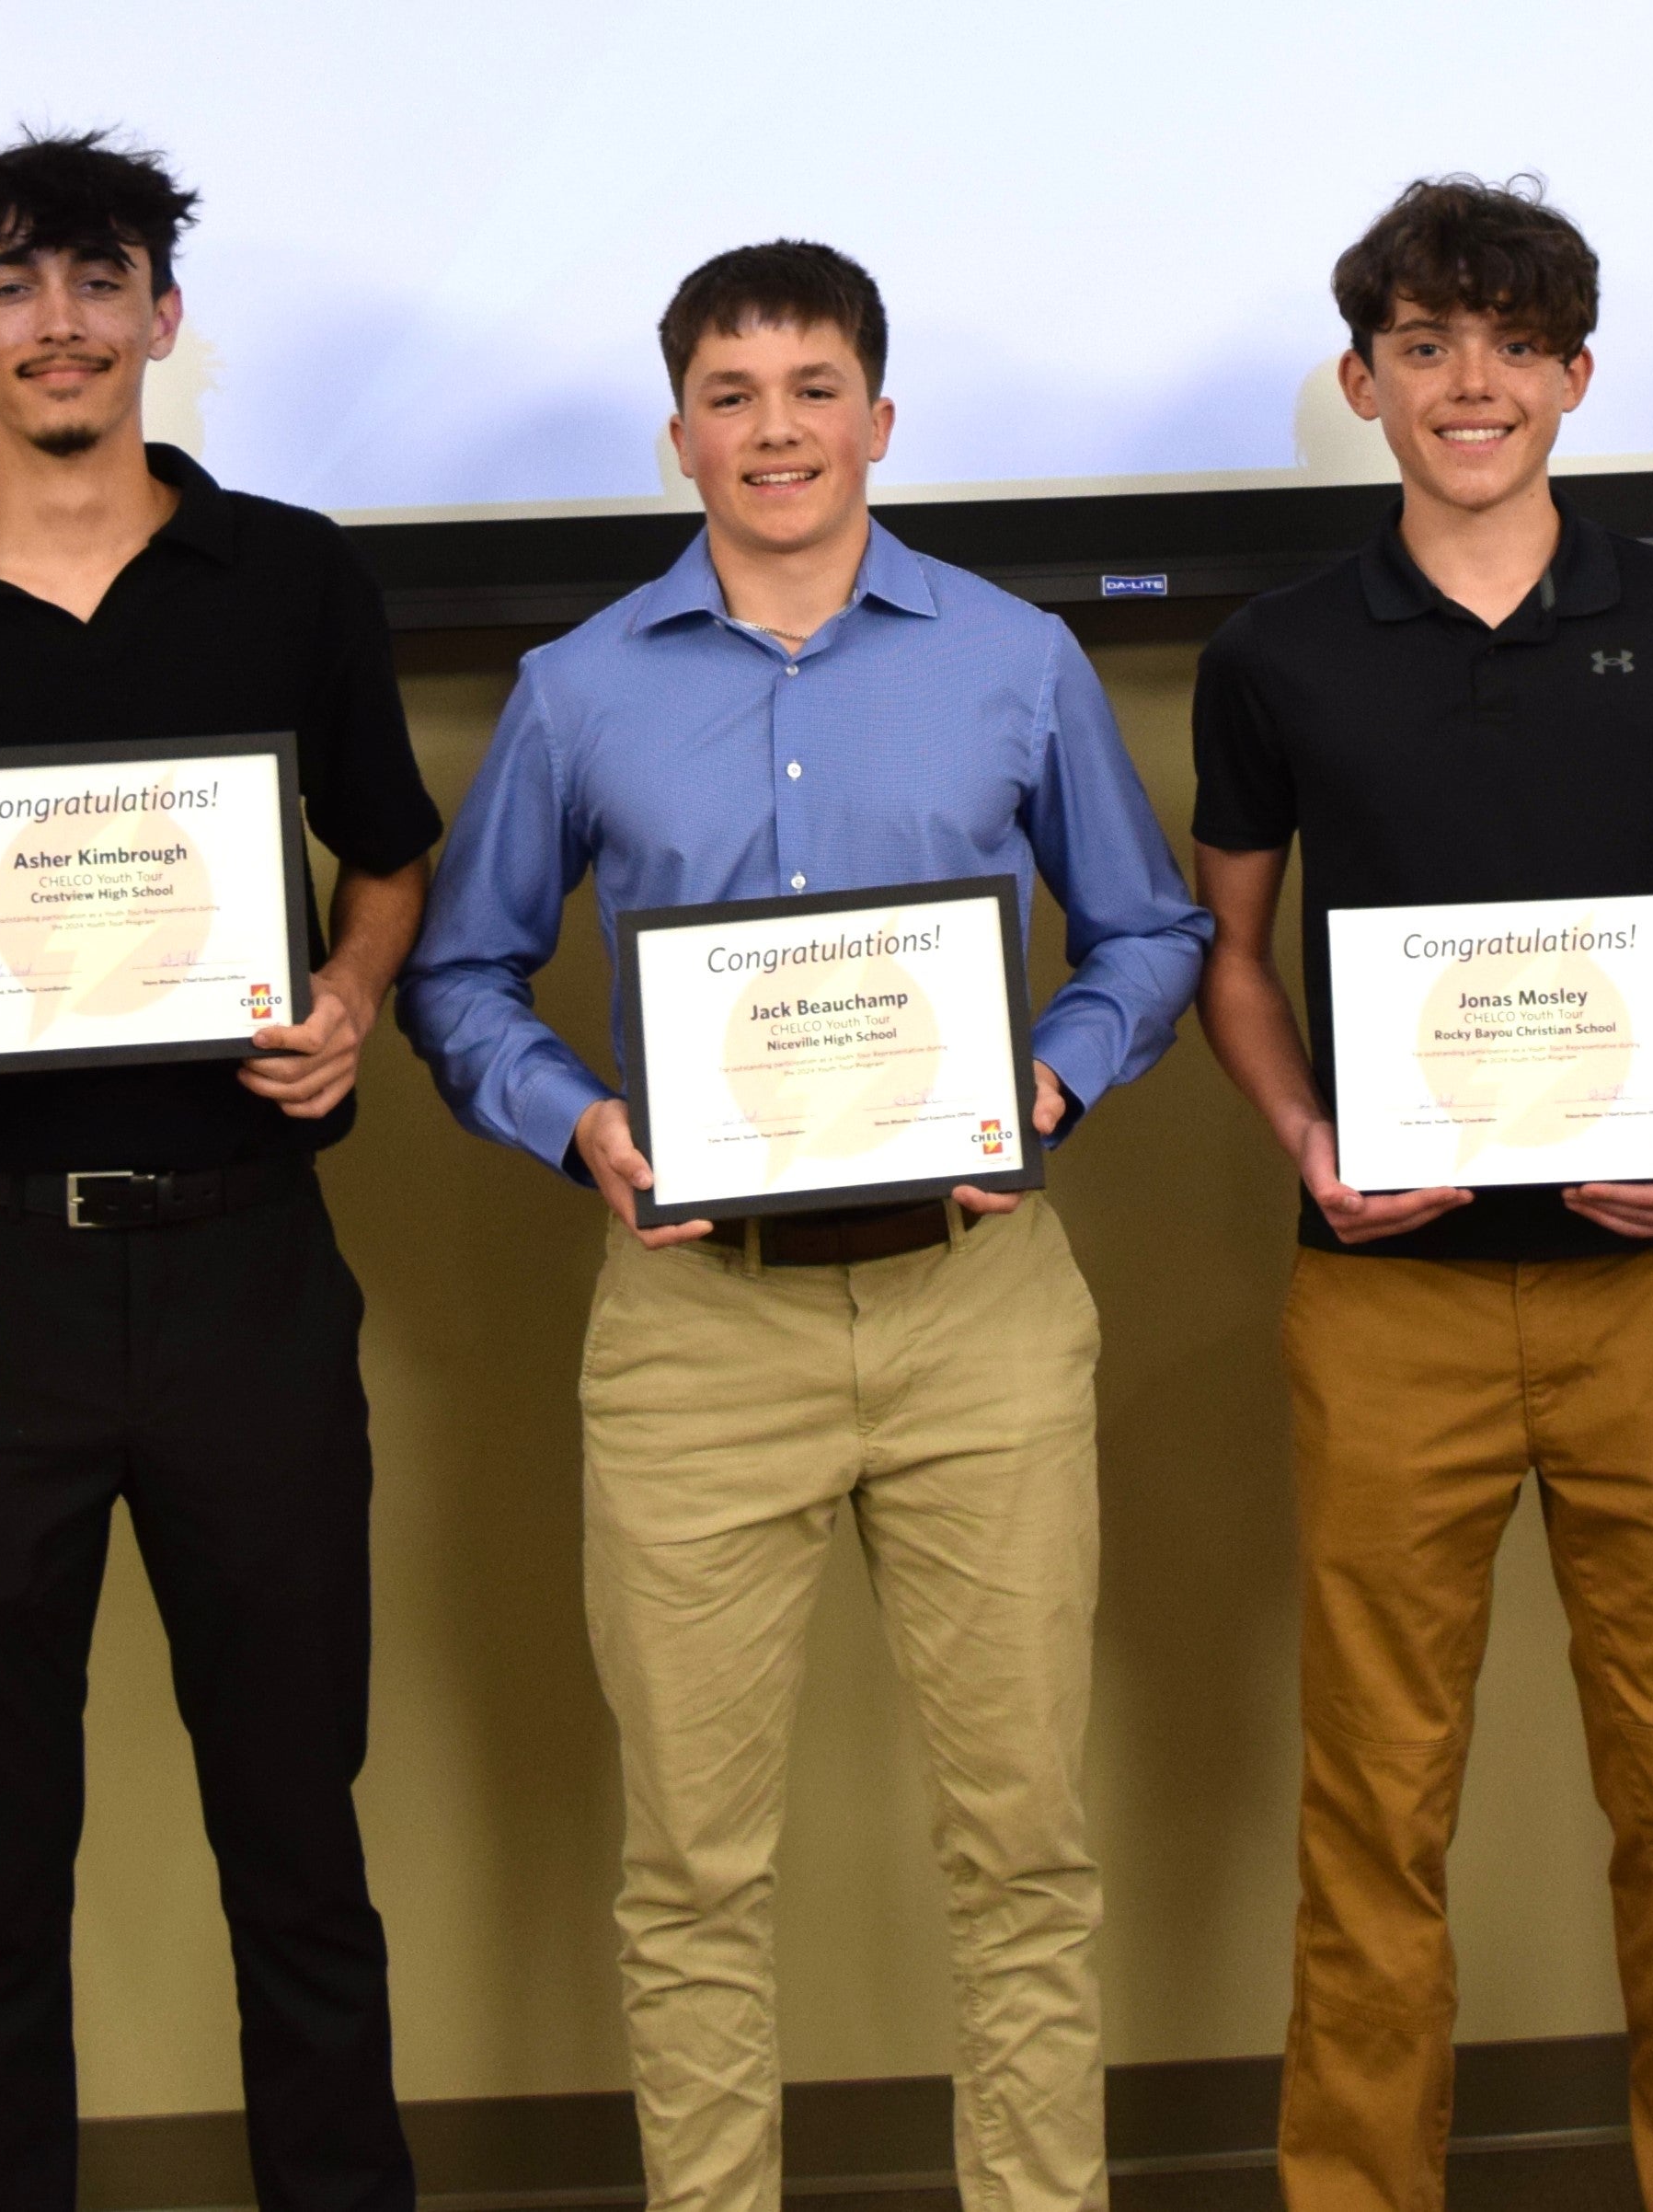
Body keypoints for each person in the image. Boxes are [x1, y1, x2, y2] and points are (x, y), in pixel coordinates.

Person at [401, 239, 1206, 2212]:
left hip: (980, 1312)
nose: (778, 429)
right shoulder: (576, 689)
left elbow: (1152, 929)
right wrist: (573, 1115)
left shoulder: (1015, 656)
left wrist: (1053, 1077)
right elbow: (461, 975)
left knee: (1024, 1849)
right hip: (697, 1332)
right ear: (678, 426)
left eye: (816, 387)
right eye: (736, 394)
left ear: (881, 416)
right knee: (692, 1865)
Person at [0, 134, 441, 2212]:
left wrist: (352, 996)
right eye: (12, 285)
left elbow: (386, 857)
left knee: (300, 1834)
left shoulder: (298, 578)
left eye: (95, 280)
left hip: (244, 1269)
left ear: (160, 318)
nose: (57, 322)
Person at [1183, 177, 1653, 2212]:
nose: (1475, 383)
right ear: (1363, 377)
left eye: (1516, 345)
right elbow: (1230, 954)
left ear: (1577, 376)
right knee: (1375, 1802)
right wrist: (1304, 1141)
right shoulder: (1276, 652)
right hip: (1387, 1303)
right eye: (1429, 344)